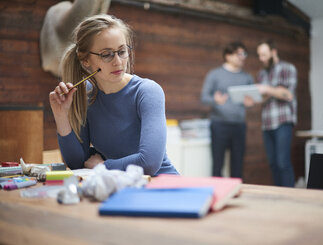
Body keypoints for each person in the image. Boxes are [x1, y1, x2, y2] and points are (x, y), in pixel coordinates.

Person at [49, 14, 178, 176]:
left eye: (122, 51)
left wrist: (103, 167)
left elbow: (150, 162)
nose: (117, 61)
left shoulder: (147, 91)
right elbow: (77, 163)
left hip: (160, 186)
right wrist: (61, 115)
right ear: (85, 61)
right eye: (106, 54)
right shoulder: (85, 95)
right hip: (119, 187)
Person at [200, 42, 254, 178]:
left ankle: (236, 195)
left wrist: (250, 103)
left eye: (244, 54)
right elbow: (204, 97)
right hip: (219, 125)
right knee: (217, 164)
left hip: (239, 125)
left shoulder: (247, 77)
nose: (243, 57)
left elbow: (251, 99)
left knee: (238, 165)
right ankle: (217, 196)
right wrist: (215, 100)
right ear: (228, 56)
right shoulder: (215, 74)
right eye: (239, 54)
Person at [255, 39, 297, 187]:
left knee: (282, 162)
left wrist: (267, 89)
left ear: (273, 52)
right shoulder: (262, 73)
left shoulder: (287, 68)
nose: (261, 59)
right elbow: (265, 97)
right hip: (267, 124)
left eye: (264, 55)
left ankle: (289, 197)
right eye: (259, 55)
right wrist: (253, 98)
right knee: (273, 163)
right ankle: (279, 196)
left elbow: (288, 94)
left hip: (283, 121)